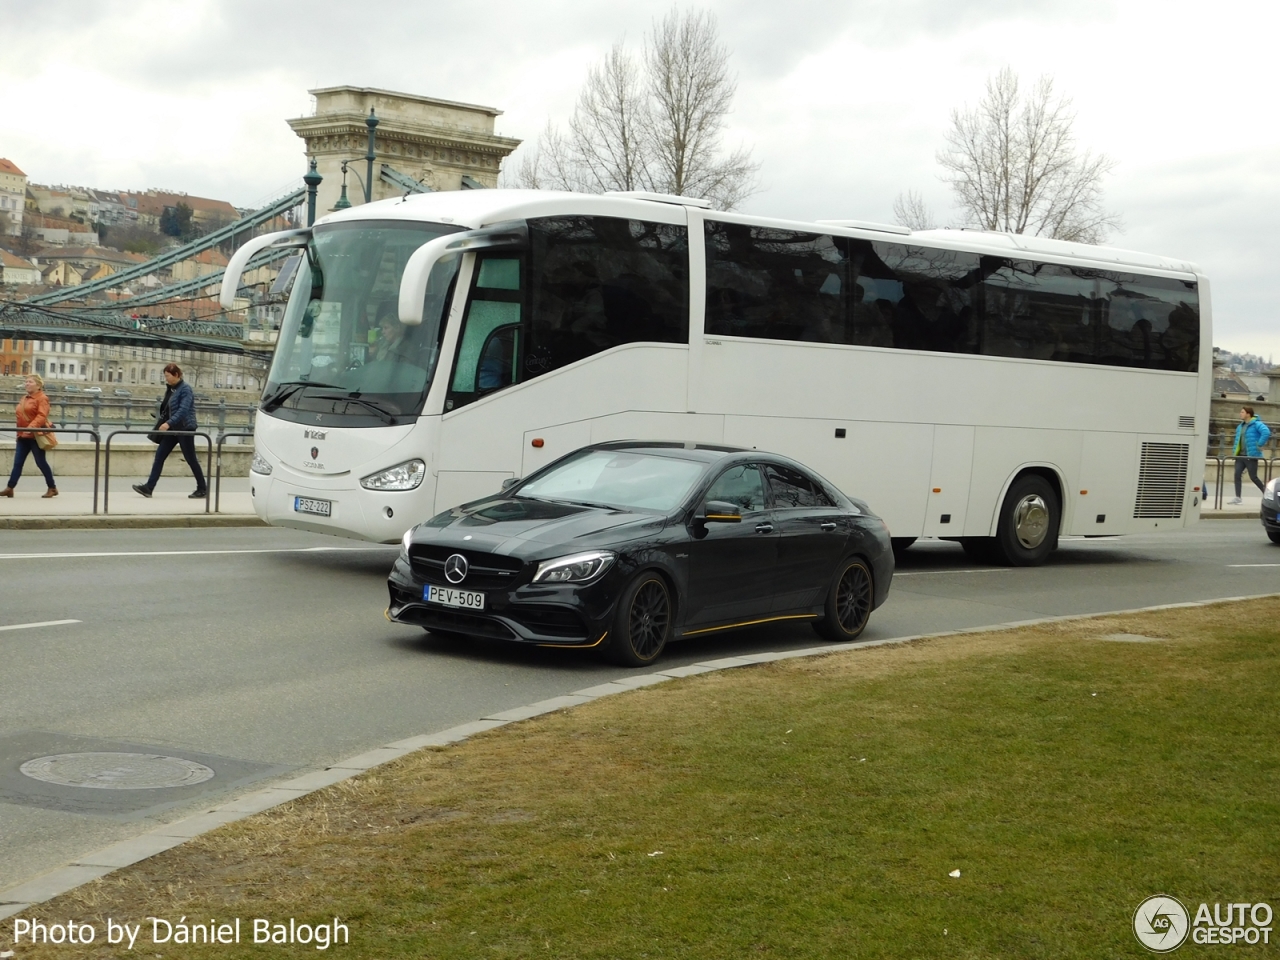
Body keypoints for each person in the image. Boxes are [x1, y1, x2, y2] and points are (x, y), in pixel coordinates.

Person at [132, 363, 207, 499]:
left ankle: (202, 488)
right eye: (165, 376)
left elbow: (183, 410)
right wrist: (163, 419)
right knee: (159, 456)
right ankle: (149, 488)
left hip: (185, 429)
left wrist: (168, 423)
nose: (166, 379)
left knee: (191, 459)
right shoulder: (171, 389)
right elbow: (169, 408)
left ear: (176, 375)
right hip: (173, 429)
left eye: (168, 376)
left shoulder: (185, 389)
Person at [2, 373, 58, 499]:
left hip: (35, 436)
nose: (27, 384)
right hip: (22, 436)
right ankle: (10, 488)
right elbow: (20, 416)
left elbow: (41, 415)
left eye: (30, 382)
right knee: (17, 463)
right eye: (26, 382)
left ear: (38, 385)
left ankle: (52, 487)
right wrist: (20, 432)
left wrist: (30, 428)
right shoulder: (24, 398)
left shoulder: (42, 398)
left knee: (40, 462)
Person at [1229, 405, 1271, 504]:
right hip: (1240, 455)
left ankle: (1267, 494)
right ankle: (1238, 497)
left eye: (1242, 412)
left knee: (1253, 477)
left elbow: (1266, 432)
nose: (1240, 414)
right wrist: (1235, 451)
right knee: (1237, 474)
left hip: (1250, 455)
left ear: (1248, 414)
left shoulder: (1256, 424)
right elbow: (1238, 440)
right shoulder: (1241, 426)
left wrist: (1259, 444)